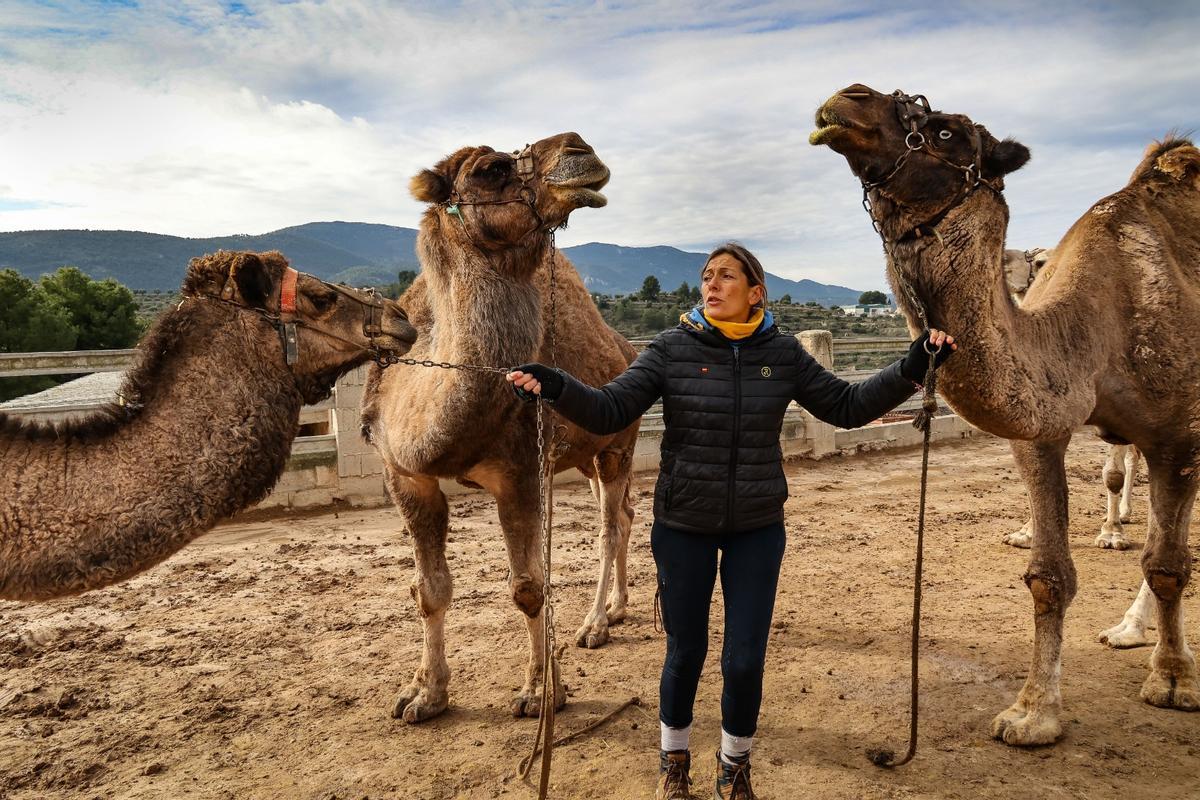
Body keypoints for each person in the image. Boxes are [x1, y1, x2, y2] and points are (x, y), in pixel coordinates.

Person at [507, 243, 955, 800]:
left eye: (725, 276)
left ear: (755, 292)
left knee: (744, 661)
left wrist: (912, 368)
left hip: (757, 528)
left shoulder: (783, 354)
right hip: (683, 527)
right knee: (685, 653)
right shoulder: (671, 348)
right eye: (706, 276)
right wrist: (556, 385)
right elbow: (609, 409)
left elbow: (846, 406)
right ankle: (674, 765)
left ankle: (734, 767)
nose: (711, 285)